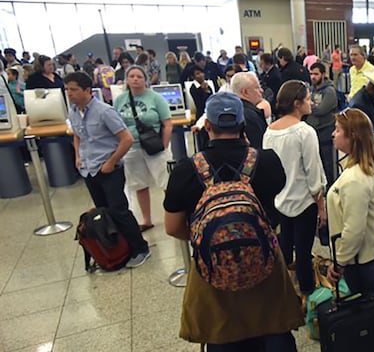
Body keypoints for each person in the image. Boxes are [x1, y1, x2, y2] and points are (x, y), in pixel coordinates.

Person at [163, 92, 302, 351]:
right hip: (266, 266)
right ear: (242, 125)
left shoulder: (185, 170)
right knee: (275, 336)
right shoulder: (268, 161)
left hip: (213, 272)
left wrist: (208, 237)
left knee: (222, 338)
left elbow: (172, 227)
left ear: (207, 126)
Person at [65, 71, 151, 268]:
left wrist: (111, 162)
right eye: (67, 89)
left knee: (118, 210)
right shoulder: (73, 111)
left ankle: (141, 248)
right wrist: (78, 156)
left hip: (108, 169)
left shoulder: (104, 112)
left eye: (74, 89)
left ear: (87, 90)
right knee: (103, 212)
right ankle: (120, 247)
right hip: (89, 169)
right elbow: (78, 135)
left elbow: (127, 139)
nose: (69, 93)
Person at [263, 80, 327, 300]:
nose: (311, 103)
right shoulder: (304, 131)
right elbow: (313, 170)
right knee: (303, 249)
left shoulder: (269, 131)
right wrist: (321, 204)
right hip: (304, 201)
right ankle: (308, 291)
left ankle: (283, 287)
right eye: (308, 99)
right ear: (297, 103)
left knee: (285, 245)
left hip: (281, 199)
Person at [325, 108, 374, 305]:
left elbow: (354, 230)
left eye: (337, 130)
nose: (333, 134)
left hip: (358, 258)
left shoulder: (355, 179)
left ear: (351, 136)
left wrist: (339, 263)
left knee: (366, 311)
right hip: (373, 247)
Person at [114, 65, 173, 232]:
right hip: (131, 148)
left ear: (145, 79)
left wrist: (164, 146)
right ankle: (146, 220)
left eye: (139, 76)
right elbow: (117, 124)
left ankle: (174, 216)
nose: (135, 79)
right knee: (139, 184)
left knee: (166, 183)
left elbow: (167, 124)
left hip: (155, 147)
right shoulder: (120, 100)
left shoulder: (155, 98)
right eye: (131, 76)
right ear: (126, 80)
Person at [307, 62, 339, 185]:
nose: (313, 77)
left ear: (323, 74)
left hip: (326, 132)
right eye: (311, 74)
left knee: (328, 165)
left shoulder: (329, 91)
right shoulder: (311, 89)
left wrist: (309, 105)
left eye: (316, 74)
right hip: (314, 132)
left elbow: (322, 110)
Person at [231, 72, 270, 148]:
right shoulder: (250, 116)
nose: (261, 90)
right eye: (257, 87)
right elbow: (258, 146)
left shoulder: (231, 110)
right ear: (245, 92)